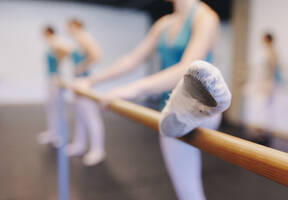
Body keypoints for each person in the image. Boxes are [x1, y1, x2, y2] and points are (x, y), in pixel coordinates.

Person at [75, 0, 231, 199]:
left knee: (190, 88)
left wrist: (132, 89)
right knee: (187, 190)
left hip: (198, 109)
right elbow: (132, 60)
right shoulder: (164, 24)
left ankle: (205, 102)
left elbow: (184, 69)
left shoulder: (206, 18)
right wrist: (91, 80)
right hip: (171, 111)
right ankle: (183, 110)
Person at [66, 19, 106, 166]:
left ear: (75, 26)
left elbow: (97, 54)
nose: (67, 30)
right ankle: (80, 145)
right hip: (78, 81)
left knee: (91, 117)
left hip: (85, 82)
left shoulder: (84, 37)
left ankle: (98, 150)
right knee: (80, 116)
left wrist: (82, 67)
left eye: (68, 26)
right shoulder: (78, 40)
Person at [38, 26, 71, 147]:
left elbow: (68, 50)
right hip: (51, 78)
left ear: (48, 32)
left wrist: (59, 61)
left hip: (57, 79)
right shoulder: (51, 43)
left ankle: (61, 136)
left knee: (58, 108)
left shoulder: (55, 42)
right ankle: (52, 133)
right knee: (51, 107)